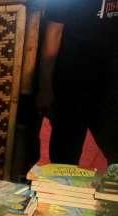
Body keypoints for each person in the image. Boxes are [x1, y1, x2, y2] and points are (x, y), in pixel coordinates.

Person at [37, 0, 118, 165]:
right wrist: (45, 87)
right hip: (72, 82)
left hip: (110, 83)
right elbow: (53, 33)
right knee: (64, 158)